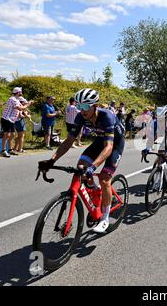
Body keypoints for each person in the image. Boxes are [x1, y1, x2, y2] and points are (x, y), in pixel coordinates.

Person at [39, 88, 126, 233]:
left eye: (85, 106)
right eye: (79, 106)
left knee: (104, 179)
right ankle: (98, 193)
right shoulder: (80, 117)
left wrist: (93, 167)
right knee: (80, 168)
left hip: (115, 144)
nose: (82, 110)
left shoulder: (107, 116)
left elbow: (109, 147)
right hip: (100, 140)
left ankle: (104, 218)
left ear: (95, 106)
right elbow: (68, 142)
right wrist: (51, 160)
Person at [1, 87, 33, 158]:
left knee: (12, 134)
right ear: (18, 92)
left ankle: (10, 149)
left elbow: (22, 107)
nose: (21, 93)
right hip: (6, 119)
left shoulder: (17, 99)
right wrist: (29, 104)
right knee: (7, 135)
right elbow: (20, 108)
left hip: (11, 120)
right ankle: (3, 150)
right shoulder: (13, 99)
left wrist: (27, 108)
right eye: (20, 92)